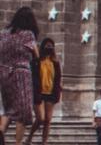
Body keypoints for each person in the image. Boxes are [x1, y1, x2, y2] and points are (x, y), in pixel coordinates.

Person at [0, 8, 39, 145]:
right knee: (22, 112)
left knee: (8, 108)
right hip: (21, 74)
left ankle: (1, 130)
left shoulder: (3, 34)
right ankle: (18, 143)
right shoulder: (28, 34)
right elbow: (36, 55)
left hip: (4, 74)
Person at [29, 38, 60, 145]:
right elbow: (33, 77)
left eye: (51, 45)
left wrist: (58, 94)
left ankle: (44, 142)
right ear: (42, 47)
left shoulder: (55, 63)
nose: (49, 47)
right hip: (39, 93)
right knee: (40, 118)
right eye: (47, 45)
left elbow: (58, 79)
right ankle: (29, 137)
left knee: (47, 120)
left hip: (50, 94)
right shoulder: (37, 61)